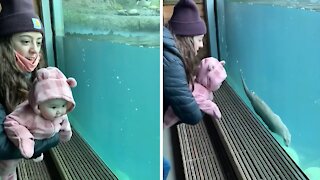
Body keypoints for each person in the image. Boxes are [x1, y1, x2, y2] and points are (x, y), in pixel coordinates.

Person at [0, 0, 59, 169]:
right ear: (6, 45)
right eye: (26, 41)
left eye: (38, 42)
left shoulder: (36, 76)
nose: (35, 50)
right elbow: (2, 144)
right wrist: (53, 136)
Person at [0, 67, 76, 179]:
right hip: (15, 148)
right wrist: (25, 139)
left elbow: (64, 122)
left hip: (39, 138)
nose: (60, 111)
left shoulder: (59, 114)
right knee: (8, 166)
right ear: (38, 105)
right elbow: (11, 123)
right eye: (54, 107)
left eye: (64, 105)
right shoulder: (26, 115)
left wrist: (66, 133)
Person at [163, 0, 207, 179]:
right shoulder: (172, 61)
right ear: (188, 39)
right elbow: (192, 114)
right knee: (163, 168)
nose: (201, 45)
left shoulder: (168, 48)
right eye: (199, 40)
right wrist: (204, 102)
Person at [164, 57, 227, 128]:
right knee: (164, 123)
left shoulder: (196, 79)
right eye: (219, 82)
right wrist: (213, 108)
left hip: (171, 104)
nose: (221, 84)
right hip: (172, 113)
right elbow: (200, 102)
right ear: (208, 80)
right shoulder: (201, 91)